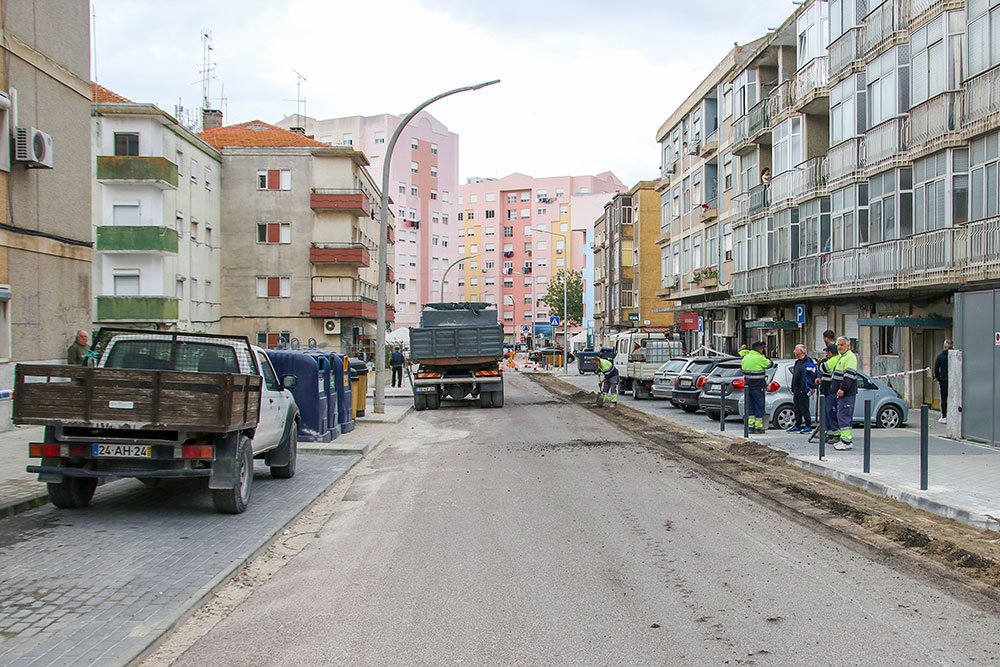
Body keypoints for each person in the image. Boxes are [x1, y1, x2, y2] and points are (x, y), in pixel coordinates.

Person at [832, 336, 859, 450]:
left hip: (847, 393)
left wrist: (842, 389)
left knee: (845, 416)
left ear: (848, 346)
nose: (839, 347)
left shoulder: (850, 357)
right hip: (842, 393)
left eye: (842, 345)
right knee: (841, 415)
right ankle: (844, 439)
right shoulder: (843, 357)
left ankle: (846, 442)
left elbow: (849, 375)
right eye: (838, 345)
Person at [740, 340, 771, 434]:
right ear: (760, 349)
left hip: (747, 386)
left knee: (750, 406)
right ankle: (758, 427)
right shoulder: (760, 358)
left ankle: (750, 426)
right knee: (759, 406)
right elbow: (770, 364)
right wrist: (765, 357)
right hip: (758, 386)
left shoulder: (746, 357)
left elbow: (742, 368)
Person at [789, 344, 817, 433]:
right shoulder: (797, 362)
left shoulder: (808, 361)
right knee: (797, 407)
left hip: (804, 388)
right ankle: (797, 425)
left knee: (804, 407)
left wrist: (812, 386)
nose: (794, 352)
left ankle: (808, 425)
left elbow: (812, 374)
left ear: (801, 351)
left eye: (795, 350)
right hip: (796, 388)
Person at [815, 343, 841, 440]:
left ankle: (835, 432)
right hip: (827, 390)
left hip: (831, 390)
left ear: (830, 352)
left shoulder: (834, 360)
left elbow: (823, 368)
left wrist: (822, 362)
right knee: (827, 412)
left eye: (827, 352)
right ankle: (830, 432)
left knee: (831, 411)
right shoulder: (832, 359)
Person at [935, 339, 952, 424]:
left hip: (943, 380)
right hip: (952, 380)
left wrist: (939, 378)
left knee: (944, 398)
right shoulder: (952, 356)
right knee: (952, 398)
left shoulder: (940, 356)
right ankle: (952, 415)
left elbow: (936, 370)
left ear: (945, 346)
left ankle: (944, 416)